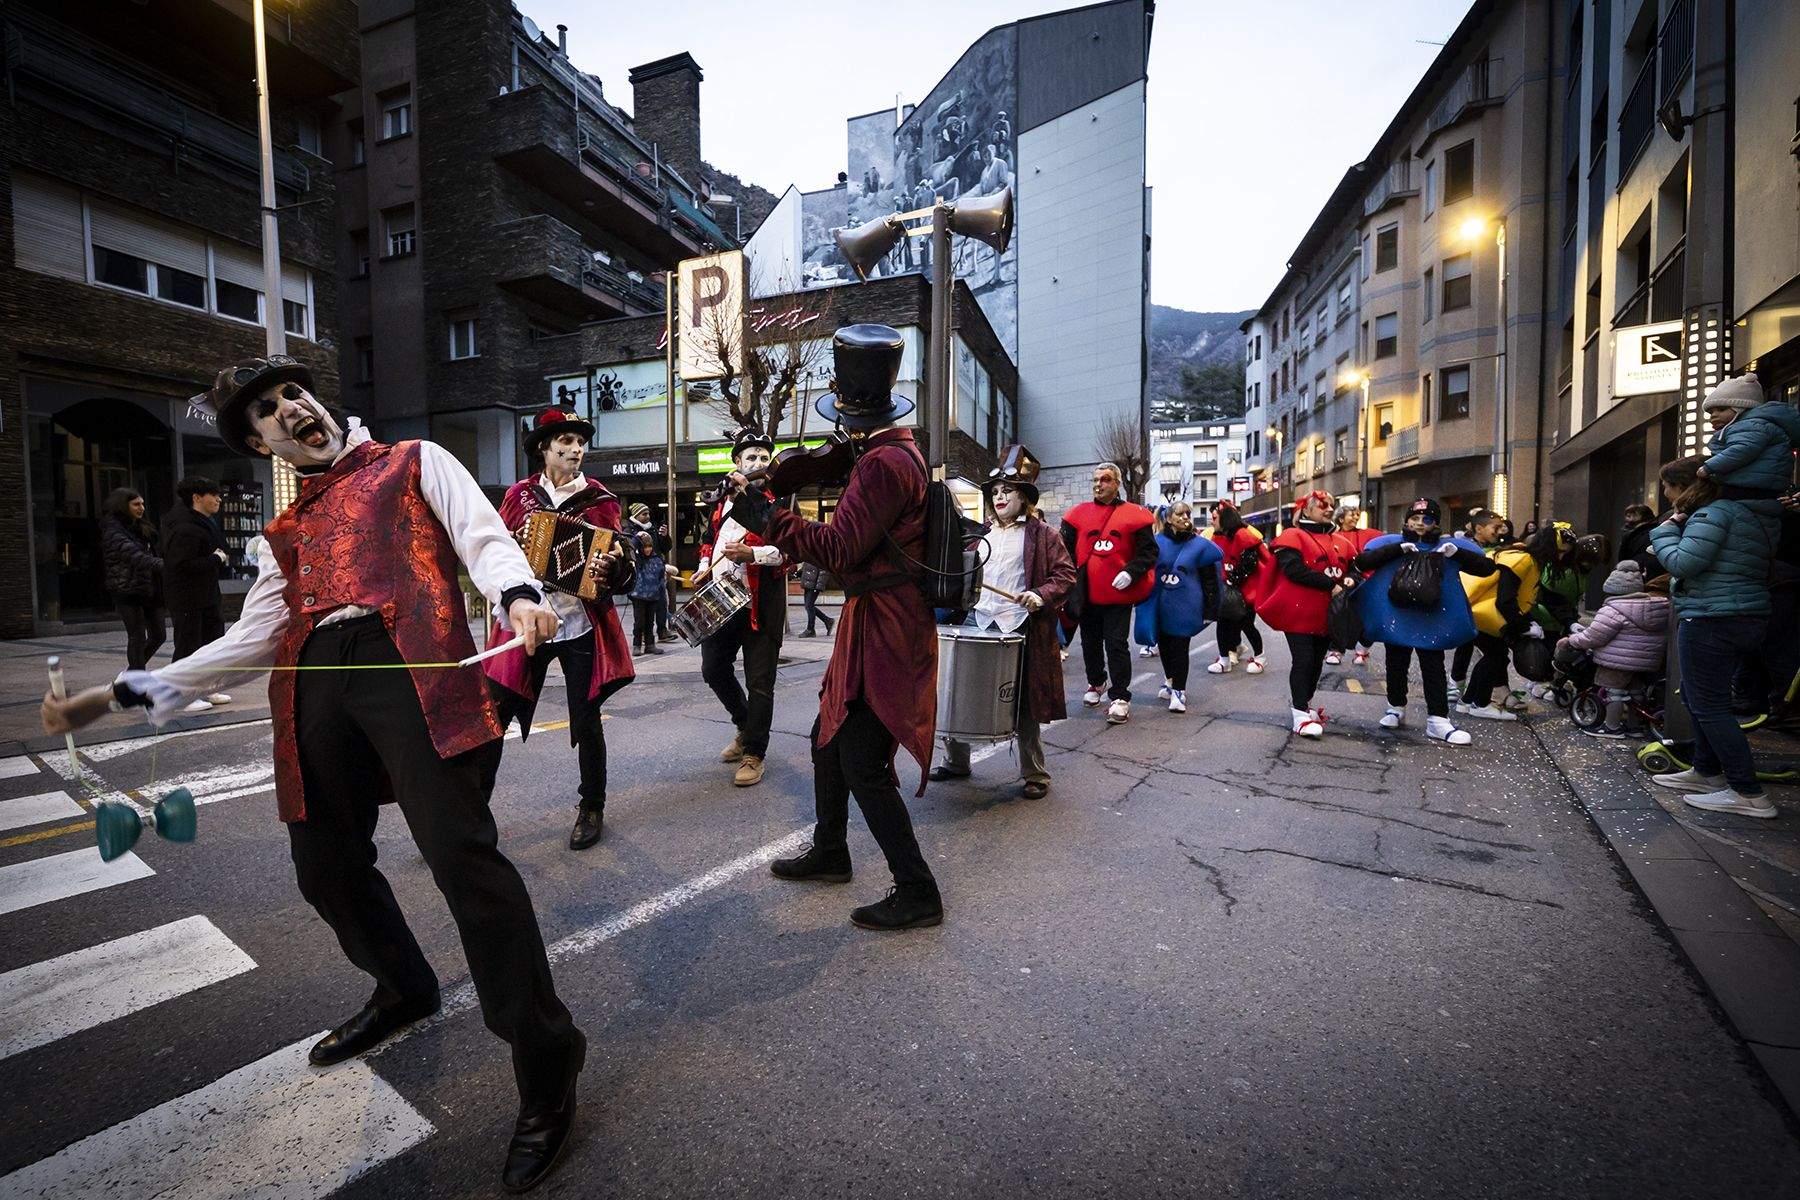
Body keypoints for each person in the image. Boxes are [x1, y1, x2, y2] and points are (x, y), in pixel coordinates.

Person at [42, 357, 585, 1191]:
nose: (288, 407)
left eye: (292, 392)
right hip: (312, 674)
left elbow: (481, 533)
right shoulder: (284, 532)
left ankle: (548, 1065)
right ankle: (403, 986)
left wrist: (516, 591)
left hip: (409, 661)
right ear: (262, 442)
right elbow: (249, 642)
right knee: (322, 861)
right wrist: (117, 694)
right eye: (266, 410)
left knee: (462, 860)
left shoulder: (413, 461)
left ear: (316, 403)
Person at [728, 324, 944, 929]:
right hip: (874, 617)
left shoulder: (881, 464)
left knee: (861, 759)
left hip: (887, 622)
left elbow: (842, 547)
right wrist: (784, 483)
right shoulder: (891, 451)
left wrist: (769, 514)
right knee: (827, 736)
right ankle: (830, 849)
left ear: (849, 407)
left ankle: (917, 888)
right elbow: (829, 476)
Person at [484, 407, 636, 851]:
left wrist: (613, 566)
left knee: (586, 717)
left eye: (579, 442)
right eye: (565, 442)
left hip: (578, 621)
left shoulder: (601, 500)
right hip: (528, 617)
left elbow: (622, 559)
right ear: (543, 449)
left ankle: (592, 806)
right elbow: (493, 548)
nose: (575, 450)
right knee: (496, 709)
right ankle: (468, 813)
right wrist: (514, 547)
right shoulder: (519, 496)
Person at [931, 444, 1075, 796]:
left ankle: (1035, 774)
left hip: (1020, 626)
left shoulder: (1045, 535)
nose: (999, 496)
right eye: (995, 491)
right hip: (979, 621)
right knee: (959, 692)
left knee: (1023, 702)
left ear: (1024, 496)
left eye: (1007, 490)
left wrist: (1039, 594)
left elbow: (1066, 575)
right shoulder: (983, 534)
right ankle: (956, 761)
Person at [1647, 455, 1780, 818]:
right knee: (1697, 696)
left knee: (1709, 705)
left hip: (1713, 616)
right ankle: (1706, 771)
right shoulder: (1743, 513)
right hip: (1741, 614)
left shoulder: (1712, 514)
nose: (1665, 493)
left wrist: (1663, 532)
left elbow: (1682, 564)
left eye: (1668, 486)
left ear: (1685, 487)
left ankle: (1747, 792)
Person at [1352, 497, 1497, 744]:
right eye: (1415, 518)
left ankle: (1438, 719)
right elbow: (1361, 563)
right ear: (1407, 520)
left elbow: (1486, 569)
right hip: (1397, 614)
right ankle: (1395, 706)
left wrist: (1457, 553)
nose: (1420, 524)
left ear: (1435, 523)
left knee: (1433, 664)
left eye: (1427, 519)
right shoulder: (1392, 544)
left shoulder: (1448, 547)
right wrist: (1396, 550)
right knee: (1396, 661)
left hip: (1432, 617)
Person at [694, 428, 789, 788]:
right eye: (751, 457)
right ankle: (745, 725)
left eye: (764, 458)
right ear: (737, 462)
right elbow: (709, 540)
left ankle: (754, 753)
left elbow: (790, 551)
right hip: (720, 599)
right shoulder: (723, 500)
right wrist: (704, 568)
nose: (759, 463)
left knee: (760, 682)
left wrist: (753, 554)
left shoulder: (777, 501)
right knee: (713, 668)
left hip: (761, 604)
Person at [1061, 462, 1157, 724]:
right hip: (1087, 592)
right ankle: (1096, 682)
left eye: (1104, 479)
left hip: (1118, 595)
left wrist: (1131, 572)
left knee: (1116, 644)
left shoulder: (1135, 515)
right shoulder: (1076, 515)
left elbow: (1149, 552)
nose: (1098, 484)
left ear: (1116, 483)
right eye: (1095, 479)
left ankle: (1120, 696)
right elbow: (1064, 552)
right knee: (1089, 642)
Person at [1257, 490, 1355, 737]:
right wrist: (1330, 584)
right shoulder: (1292, 536)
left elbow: (1354, 567)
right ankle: (1299, 713)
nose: (1329, 509)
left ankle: (1305, 704)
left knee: (1315, 662)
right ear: (1307, 510)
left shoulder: (1340, 540)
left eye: (1331, 504)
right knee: (1303, 660)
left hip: (1326, 614)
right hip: (1298, 614)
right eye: (1323, 505)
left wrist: (1351, 580)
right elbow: (1294, 570)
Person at [1457, 522, 1570, 720]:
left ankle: (1468, 701)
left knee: (1495, 655)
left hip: (1479, 613)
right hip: (1484, 615)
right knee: (1496, 656)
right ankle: (1479, 703)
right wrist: (1524, 626)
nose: (1560, 557)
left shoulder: (1523, 557)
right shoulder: (1524, 560)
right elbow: (1506, 599)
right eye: (1559, 552)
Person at [1558, 560, 1669, 738]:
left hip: (1616, 662)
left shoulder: (1612, 610)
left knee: (1613, 692)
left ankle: (1612, 727)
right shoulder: (1656, 608)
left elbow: (1593, 637)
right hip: (1646, 662)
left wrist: (1572, 640)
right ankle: (1635, 727)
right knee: (1636, 691)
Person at [1136, 501, 1221, 713]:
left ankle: (1179, 692)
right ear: (1168, 519)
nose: (1185, 518)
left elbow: (1210, 579)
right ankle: (1170, 680)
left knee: (1180, 646)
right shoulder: (1155, 543)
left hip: (1188, 605)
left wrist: (1210, 610)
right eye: (1180, 514)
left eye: (1187, 514)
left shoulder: (1201, 545)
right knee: (1164, 645)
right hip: (1162, 604)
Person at [159, 476, 235, 713]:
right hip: (187, 597)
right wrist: (216, 558)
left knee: (211, 643)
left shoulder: (204, 522)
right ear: (197, 498)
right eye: (214, 495)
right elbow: (180, 565)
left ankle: (205, 689)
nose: (219, 500)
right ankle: (181, 693)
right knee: (188, 645)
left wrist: (219, 557)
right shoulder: (183, 526)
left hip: (207, 594)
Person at [100, 488, 166, 672]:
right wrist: (167, 566)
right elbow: (135, 556)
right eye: (136, 504)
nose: (141, 508)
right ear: (123, 505)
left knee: (159, 635)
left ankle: (131, 673)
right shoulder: (113, 529)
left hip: (150, 588)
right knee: (137, 637)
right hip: (127, 589)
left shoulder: (142, 526)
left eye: (142, 504)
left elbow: (154, 550)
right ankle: (137, 679)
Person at [1449, 509, 1508, 702]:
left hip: (1480, 606)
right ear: (1479, 528)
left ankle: (1467, 690)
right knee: (1487, 649)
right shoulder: (1464, 548)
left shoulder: (1497, 549)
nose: (1500, 531)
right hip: (1466, 604)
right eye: (1496, 527)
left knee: (1479, 646)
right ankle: (1463, 689)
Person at [1204, 499, 1269, 675]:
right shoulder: (1218, 537)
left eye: (1215, 518)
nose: (1212, 521)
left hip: (1247, 591)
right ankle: (1224, 658)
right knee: (1223, 623)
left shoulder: (1243, 535)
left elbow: (1250, 562)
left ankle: (1260, 655)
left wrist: (1234, 578)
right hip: (1228, 590)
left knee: (1246, 623)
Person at [1325, 504, 1382, 666]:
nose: (1356, 517)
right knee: (1339, 615)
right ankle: (1336, 649)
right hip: (1342, 582)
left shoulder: (1368, 533)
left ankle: (1362, 649)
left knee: (1370, 617)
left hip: (1368, 581)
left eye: (1357, 514)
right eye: (1352, 514)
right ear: (1341, 518)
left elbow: (1387, 541)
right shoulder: (1332, 535)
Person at [623, 502, 676, 643]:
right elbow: (628, 549)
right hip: (640, 575)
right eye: (644, 514)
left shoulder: (653, 529)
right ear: (636, 515)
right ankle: (640, 638)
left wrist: (664, 537)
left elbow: (664, 548)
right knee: (641, 612)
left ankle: (662, 631)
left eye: (648, 513)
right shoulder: (629, 529)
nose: (647, 516)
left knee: (661, 603)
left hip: (656, 572)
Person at [630, 532, 667, 656]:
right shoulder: (637, 559)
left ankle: (650, 645)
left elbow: (661, 577)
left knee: (650, 622)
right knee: (639, 621)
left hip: (653, 595)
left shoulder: (657, 559)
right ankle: (637, 645)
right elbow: (631, 545)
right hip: (639, 595)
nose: (648, 549)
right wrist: (637, 537)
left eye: (649, 546)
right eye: (645, 547)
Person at [1619, 503, 1661, 577]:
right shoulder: (1633, 535)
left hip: (1638, 576)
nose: (1629, 519)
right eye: (1628, 516)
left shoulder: (1646, 535)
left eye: (1633, 515)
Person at [798, 560, 836, 637]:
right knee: (809, 606)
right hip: (808, 583)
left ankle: (810, 629)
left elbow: (824, 571)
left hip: (814, 585)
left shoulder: (819, 553)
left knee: (809, 606)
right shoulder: (809, 553)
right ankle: (828, 620)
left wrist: (818, 586)